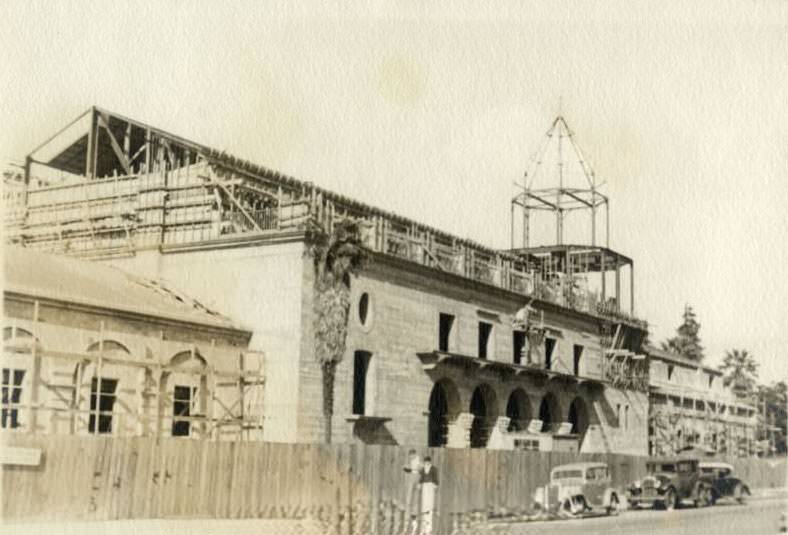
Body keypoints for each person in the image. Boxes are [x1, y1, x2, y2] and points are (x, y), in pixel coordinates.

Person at [403, 449, 422, 534]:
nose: (411, 457)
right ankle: (408, 520)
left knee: (415, 500)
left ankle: (413, 519)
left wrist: (420, 483)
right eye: (410, 456)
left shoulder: (418, 461)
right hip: (412, 480)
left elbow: (421, 469)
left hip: (416, 480)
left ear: (415, 454)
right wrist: (409, 469)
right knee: (408, 500)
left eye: (412, 455)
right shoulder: (411, 462)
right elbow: (405, 467)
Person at [419, 456, 439, 535]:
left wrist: (436, 485)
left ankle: (429, 529)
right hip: (424, 486)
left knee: (430, 505)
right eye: (425, 462)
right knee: (424, 505)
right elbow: (421, 478)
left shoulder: (434, 469)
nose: (426, 463)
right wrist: (420, 484)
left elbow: (436, 478)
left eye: (428, 462)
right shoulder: (423, 469)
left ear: (430, 462)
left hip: (430, 486)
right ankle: (423, 527)